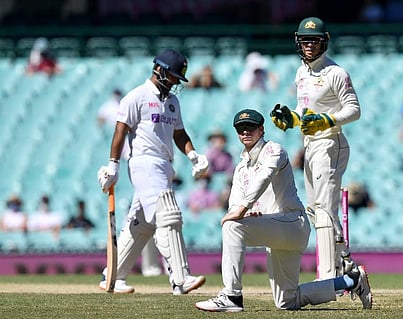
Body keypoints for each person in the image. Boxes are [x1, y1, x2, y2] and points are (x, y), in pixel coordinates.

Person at [195, 109, 372, 312]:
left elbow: (264, 177)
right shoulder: (241, 168)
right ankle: (351, 280)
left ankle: (232, 295)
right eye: (241, 129)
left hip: (292, 224)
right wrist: (241, 210)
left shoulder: (274, 150)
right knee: (287, 301)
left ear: (261, 129)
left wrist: (244, 208)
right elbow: (234, 203)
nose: (245, 132)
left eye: (250, 127)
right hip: (274, 230)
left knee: (232, 226)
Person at [96, 49, 208, 294]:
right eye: (174, 76)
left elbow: (179, 134)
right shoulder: (137, 96)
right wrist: (113, 165)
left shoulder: (172, 102)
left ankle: (112, 277)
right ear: (160, 70)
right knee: (168, 215)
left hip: (165, 164)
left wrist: (193, 155)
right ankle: (181, 278)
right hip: (144, 162)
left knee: (142, 224)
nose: (177, 81)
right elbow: (120, 131)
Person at [269, 17, 360, 280]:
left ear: (324, 41)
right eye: (305, 39)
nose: (309, 45)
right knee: (313, 208)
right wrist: (291, 118)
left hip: (331, 143)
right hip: (310, 145)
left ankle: (328, 275)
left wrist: (327, 120)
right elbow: (304, 111)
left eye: (314, 40)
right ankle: (345, 263)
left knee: (323, 208)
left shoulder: (336, 73)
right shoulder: (301, 72)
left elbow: (354, 110)